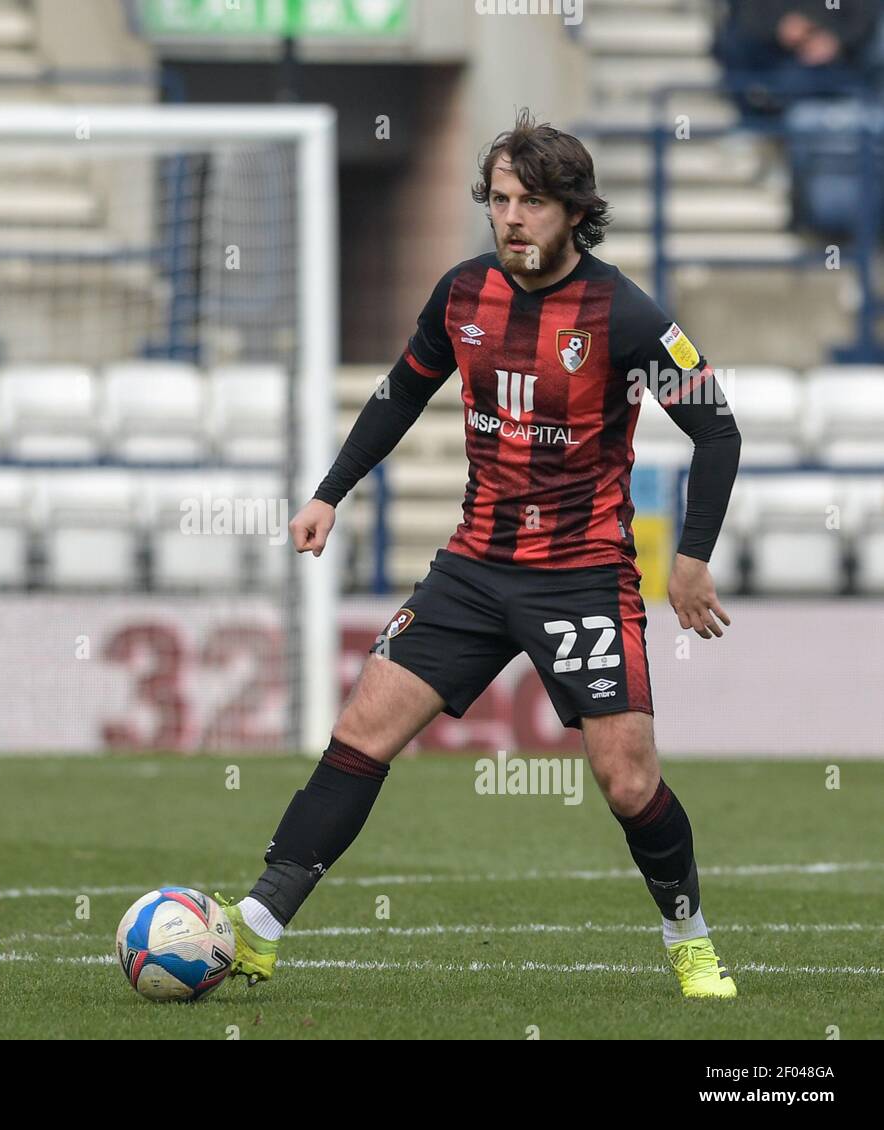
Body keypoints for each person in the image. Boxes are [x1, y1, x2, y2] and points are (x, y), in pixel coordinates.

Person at [214, 109, 744, 1000]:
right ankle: (260, 924)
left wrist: (690, 559)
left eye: (531, 202)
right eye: (499, 199)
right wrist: (328, 493)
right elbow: (397, 395)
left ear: (574, 210)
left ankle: (688, 937)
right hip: (473, 567)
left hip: (581, 574)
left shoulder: (625, 315)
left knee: (625, 780)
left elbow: (717, 431)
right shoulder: (463, 294)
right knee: (361, 731)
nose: (511, 218)